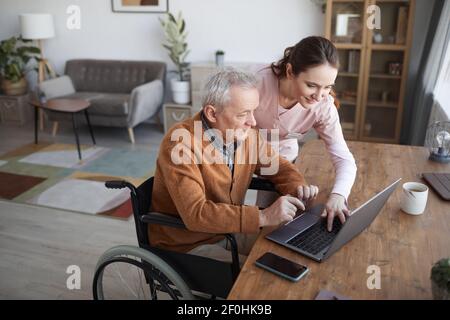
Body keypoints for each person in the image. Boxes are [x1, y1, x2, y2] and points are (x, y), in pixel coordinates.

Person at [148, 68, 319, 263]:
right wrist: (263, 217)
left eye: (254, 111)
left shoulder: (245, 134)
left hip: (228, 231)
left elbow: (279, 167)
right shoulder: (181, 143)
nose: (253, 121)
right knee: (261, 274)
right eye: (243, 114)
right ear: (212, 113)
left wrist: (299, 188)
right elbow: (196, 213)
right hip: (188, 244)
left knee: (290, 252)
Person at [254, 36, 357, 232]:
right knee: (259, 220)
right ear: (291, 71)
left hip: (285, 159)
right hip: (247, 155)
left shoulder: (323, 107)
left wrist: (338, 195)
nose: (319, 96)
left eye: (327, 87)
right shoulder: (257, 83)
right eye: (311, 85)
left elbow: (344, 158)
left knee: (287, 222)